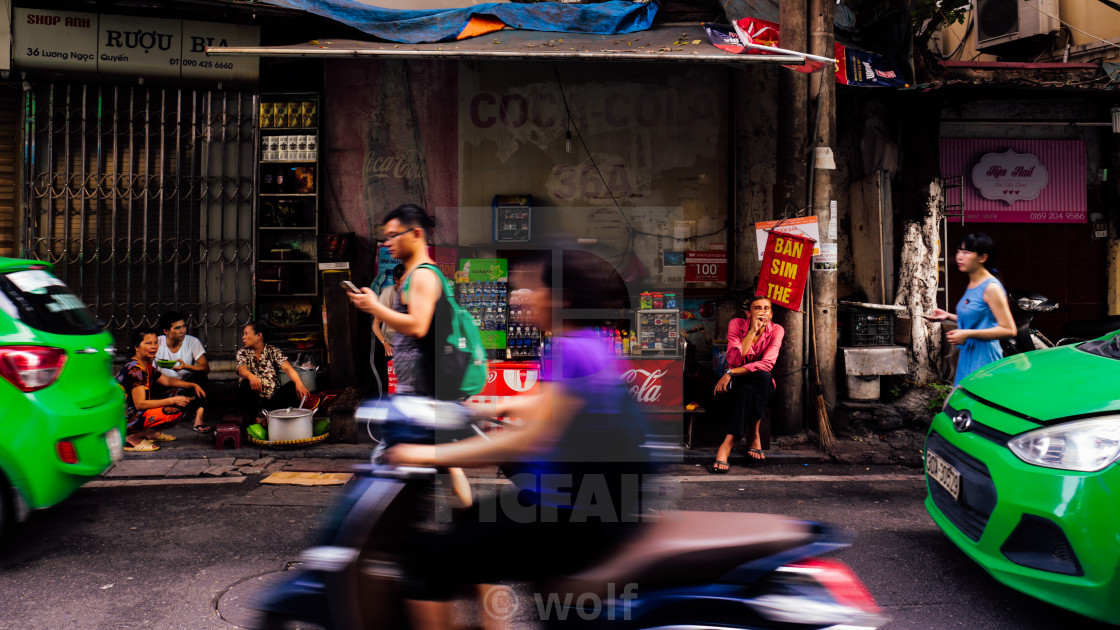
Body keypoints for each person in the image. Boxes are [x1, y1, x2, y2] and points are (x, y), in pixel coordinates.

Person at [384, 251, 650, 630]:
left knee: (428, 560)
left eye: (536, 288)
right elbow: (551, 403)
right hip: (584, 501)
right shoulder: (587, 342)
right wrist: (485, 407)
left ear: (563, 297)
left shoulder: (571, 349)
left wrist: (426, 452)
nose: (523, 297)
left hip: (574, 512)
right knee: (470, 523)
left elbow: (529, 440)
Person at [926, 232, 1016, 385]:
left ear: (982, 258)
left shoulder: (991, 287)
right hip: (968, 357)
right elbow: (979, 318)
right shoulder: (973, 284)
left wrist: (967, 333)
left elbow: (1009, 329)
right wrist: (947, 315)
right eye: (958, 251)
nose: (959, 257)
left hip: (984, 360)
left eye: (966, 252)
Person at [710, 296, 783, 472]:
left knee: (760, 379)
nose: (762, 311)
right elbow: (734, 359)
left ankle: (728, 444)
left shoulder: (777, 330)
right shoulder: (737, 324)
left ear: (771, 314)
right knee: (752, 384)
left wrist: (729, 373)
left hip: (758, 383)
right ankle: (754, 435)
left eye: (766, 308)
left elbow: (767, 364)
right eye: (757, 308)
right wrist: (752, 332)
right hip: (737, 383)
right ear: (749, 313)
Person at [118, 329, 207, 452]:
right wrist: (171, 401)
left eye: (156, 343)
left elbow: (167, 381)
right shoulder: (135, 370)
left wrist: (192, 385)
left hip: (134, 413)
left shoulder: (146, 366)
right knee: (172, 412)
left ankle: (150, 433)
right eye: (148, 343)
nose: (154, 347)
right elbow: (140, 404)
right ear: (136, 347)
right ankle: (132, 437)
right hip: (123, 417)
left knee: (180, 392)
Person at [236, 321, 311, 423]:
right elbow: (241, 370)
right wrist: (251, 377)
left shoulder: (273, 351)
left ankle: (272, 416)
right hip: (255, 400)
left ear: (259, 336)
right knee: (245, 384)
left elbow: (288, 369)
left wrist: (299, 383)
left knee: (293, 387)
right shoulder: (243, 352)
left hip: (272, 400)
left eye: (246, 333)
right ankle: (256, 418)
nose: (243, 337)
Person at [155, 311, 213, 433]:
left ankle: (199, 417)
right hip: (163, 384)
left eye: (184, 326)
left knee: (201, 376)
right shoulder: (157, 343)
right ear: (166, 331)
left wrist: (186, 367)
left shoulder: (192, 342)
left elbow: (205, 367)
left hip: (187, 383)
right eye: (177, 328)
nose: (182, 331)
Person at [371, 264, 405, 396]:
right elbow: (375, 325)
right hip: (391, 343)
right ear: (396, 280)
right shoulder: (387, 294)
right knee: (391, 382)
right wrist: (385, 343)